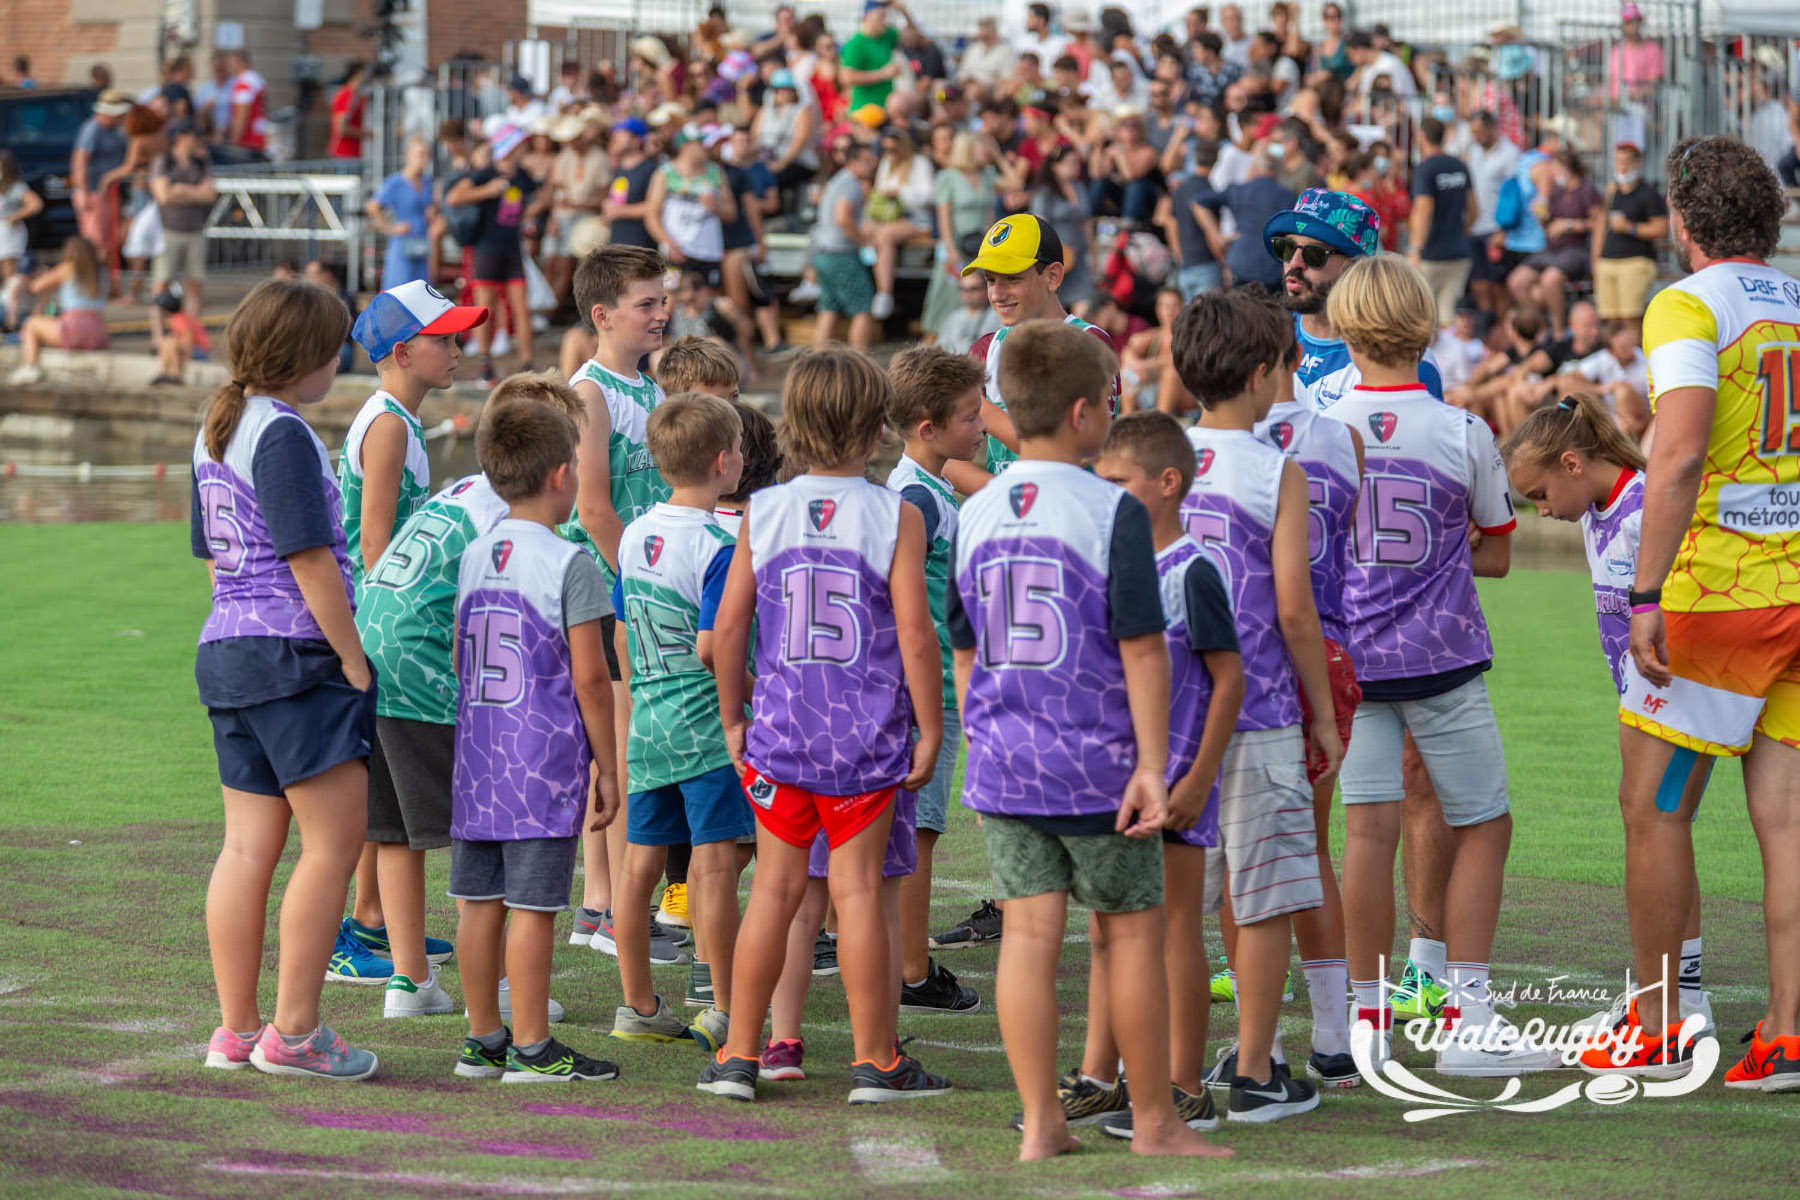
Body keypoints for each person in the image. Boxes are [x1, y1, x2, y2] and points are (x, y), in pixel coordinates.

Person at [945, 319, 1231, 1159]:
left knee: (1029, 938)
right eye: (1107, 399)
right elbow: (1143, 646)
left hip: (1005, 755)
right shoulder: (1110, 508)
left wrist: (985, 730)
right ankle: (1154, 1122)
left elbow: (964, 646)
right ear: (1080, 413)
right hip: (1096, 759)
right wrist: (1150, 762)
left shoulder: (976, 506)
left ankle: (1042, 1124)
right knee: (1130, 932)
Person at [1320, 255, 1553, 1076]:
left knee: (1364, 834)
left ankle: (1366, 1018)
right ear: (1422, 327)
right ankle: (1468, 1014)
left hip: (1353, 663)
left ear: (1344, 327)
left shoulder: (1319, 426)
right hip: (1442, 658)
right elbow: (1495, 556)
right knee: (1484, 821)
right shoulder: (1462, 430)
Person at [698, 347, 951, 1104]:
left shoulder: (763, 510)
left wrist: (731, 714)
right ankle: (876, 1058)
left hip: (781, 733)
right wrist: (930, 728)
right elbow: (915, 633)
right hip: (863, 739)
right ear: (878, 428)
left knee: (772, 894)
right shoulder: (894, 513)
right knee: (860, 893)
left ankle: (741, 1052)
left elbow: (732, 623)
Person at [1603, 136, 1800, 1086]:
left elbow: (1676, 456)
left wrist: (1645, 594)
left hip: (1721, 597)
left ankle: (1657, 1023)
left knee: (1658, 809)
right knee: (1788, 820)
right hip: (1799, 590)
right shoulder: (1798, 300)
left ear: (1682, 224)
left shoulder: (1687, 302)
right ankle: (1788, 1030)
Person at [189, 278, 377, 1080]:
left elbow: (214, 567)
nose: (341, 359)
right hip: (293, 655)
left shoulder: (214, 429)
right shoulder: (284, 432)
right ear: (308, 356)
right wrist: (353, 656)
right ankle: (296, 1034)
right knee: (332, 844)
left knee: (244, 849)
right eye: (335, 346)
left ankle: (237, 1030)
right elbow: (308, 560)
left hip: (229, 651)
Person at [1501, 395, 1718, 1056]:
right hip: (1646, 694)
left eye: (1540, 494)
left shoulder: (1645, 506)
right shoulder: (1602, 511)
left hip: (1675, 693)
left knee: (1649, 818)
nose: (1541, 510)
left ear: (1572, 462)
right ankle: (1683, 995)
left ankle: (1666, 1017)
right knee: (1658, 825)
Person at [1172, 290, 1339, 1119]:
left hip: (1172, 712)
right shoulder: (1278, 470)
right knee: (1264, 891)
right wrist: (1324, 712)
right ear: (1263, 371)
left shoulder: (1153, 461)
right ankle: (1253, 1069)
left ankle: (1176, 1069)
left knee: (1178, 905)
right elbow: (1295, 608)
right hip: (1261, 702)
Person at [449, 394, 623, 1084]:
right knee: (534, 906)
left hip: (477, 756)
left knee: (479, 900)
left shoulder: (473, 553)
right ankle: (532, 1046)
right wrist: (608, 765)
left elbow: (461, 656)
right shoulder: (570, 561)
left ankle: (483, 1037)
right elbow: (591, 678)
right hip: (539, 761)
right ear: (560, 474)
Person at [1087, 408, 1242, 1137]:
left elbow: (1230, 680)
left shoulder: (1196, 569)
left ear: (1168, 483)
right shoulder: (1114, 563)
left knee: (1176, 927)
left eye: (1119, 481)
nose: (1106, 492)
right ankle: (1100, 1076)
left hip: (1175, 785)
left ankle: (1184, 1086)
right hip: (1113, 780)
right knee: (1108, 929)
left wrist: (1199, 778)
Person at [608, 392, 748, 1053]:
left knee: (639, 869)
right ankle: (724, 1006)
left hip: (649, 718)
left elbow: (620, 628)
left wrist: (637, 693)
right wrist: (749, 694)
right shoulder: (722, 540)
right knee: (713, 867)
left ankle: (637, 1002)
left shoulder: (636, 533)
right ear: (723, 462)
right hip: (701, 723)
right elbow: (712, 644)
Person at [1253, 340, 1366, 1089]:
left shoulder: (1207, 449)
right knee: (1312, 847)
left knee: (1243, 862)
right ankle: (1332, 1031)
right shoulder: (1341, 435)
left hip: (1244, 654)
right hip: (1328, 640)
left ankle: (1258, 1045)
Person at [560, 247, 678, 958]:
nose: (662, 313)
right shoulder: (591, 393)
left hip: (640, 590)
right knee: (622, 753)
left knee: (638, 750)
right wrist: (649, 587)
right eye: (647, 304)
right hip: (609, 595)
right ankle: (604, 908)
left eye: (663, 300)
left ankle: (614, 907)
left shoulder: (649, 388)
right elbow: (595, 507)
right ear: (603, 315)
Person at [885, 346, 988, 1015]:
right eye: (970, 417)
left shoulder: (925, 488)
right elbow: (915, 612)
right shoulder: (915, 498)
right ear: (928, 427)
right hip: (927, 694)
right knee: (919, 831)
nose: (982, 427)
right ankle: (913, 969)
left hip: (926, 690)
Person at [943, 214, 1120, 501]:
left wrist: (980, 406)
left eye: (1012, 279)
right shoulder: (985, 350)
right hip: (1012, 516)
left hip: (1077, 510)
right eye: (990, 281)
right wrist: (1009, 496)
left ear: (1052, 276)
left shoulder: (1089, 343)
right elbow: (942, 454)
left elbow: (1079, 452)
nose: (998, 294)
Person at [1266, 188, 1445, 413]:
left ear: (1354, 266)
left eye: (1314, 254)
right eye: (1286, 248)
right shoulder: (1268, 336)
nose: (1294, 263)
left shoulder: (1404, 358)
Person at [446, 126, 543, 383]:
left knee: (521, 307)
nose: (525, 148)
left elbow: (541, 194)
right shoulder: (486, 174)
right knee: (484, 307)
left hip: (512, 247)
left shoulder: (522, 175)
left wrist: (533, 211)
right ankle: (485, 361)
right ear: (511, 147)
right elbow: (454, 197)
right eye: (521, 144)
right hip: (486, 248)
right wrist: (487, 191)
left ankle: (527, 362)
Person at [1510, 149, 1603, 339]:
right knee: (1517, 281)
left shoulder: (1586, 191)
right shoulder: (1557, 193)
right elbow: (1549, 226)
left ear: (1567, 168)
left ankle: (1559, 331)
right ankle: (1540, 328)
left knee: (1549, 280)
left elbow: (1598, 222)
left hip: (1576, 249)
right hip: (1552, 249)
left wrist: (1570, 224)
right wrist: (1541, 216)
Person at [6, 236, 108, 387]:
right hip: (98, 330)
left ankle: (30, 366)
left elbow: (36, 287)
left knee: (31, 325)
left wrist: (29, 277)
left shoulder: (68, 267)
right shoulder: (101, 271)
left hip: (73, 328)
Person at [809, 139, 881, 351]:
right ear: (853, 162)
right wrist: (863, 240)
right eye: (867, 161)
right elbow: (843, 218)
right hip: (841, 255)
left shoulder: (836, 181)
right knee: (862, 307)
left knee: (828, 307)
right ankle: (860, 364)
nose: (872, 165)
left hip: (823, 254)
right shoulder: (850, 184)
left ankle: (816, 363)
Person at [149, 122, 214, 345]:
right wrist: (193, 192)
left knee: (195, 285)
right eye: (192, 136)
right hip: (169, 230)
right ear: (180, 137)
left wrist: (180, 190)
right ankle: (158, 338)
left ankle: (188, 338)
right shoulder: (164, 162)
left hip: (195, 229)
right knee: (161, 284)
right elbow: (163, 196)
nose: (196, 140)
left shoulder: (201, 161)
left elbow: (209, 194)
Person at [1407, 117, 1475, 327]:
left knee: (1421, 319)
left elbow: (1424, 210)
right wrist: (1458, 231)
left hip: (1431, 255)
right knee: (1447, 322)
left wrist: (1416, 249)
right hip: (1459, 252)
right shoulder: (1459, 166)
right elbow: (1473, 210)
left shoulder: (1425, 168)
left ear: (1422, 137)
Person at [646, 124, 735, 281]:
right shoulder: (665, 174)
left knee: (703, 299)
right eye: (700, 143)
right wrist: (668, 243)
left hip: (708, 252)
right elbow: (651, 215)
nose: (706, 148)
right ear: (685, 146)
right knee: (670, 299)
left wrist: (716, 207)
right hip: (676, 251)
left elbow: (731, 213)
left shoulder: (716, 172)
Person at [866, 125, 936, 321]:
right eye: (886, 150)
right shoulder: (886, 163)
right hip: (889, 216)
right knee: (862, 229)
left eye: (894, 150)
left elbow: (928, 196)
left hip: (916, 219)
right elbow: (880, 188)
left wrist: (900, 192)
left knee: (884, 236)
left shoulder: (920, 164)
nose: (890, 154)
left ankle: (884, 293)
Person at [1594, 142, 1668, 325]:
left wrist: (1629, 228)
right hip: (1607, 260)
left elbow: (1661, 229)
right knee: (1609, 320)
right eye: (1618, 162)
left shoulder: (1648, 193)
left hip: (1635, 260)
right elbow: (1600, 226)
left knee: (1630, 318)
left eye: (1626, 162)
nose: (1622, 167)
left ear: (1637, 163)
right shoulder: (1611, 191)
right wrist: (1595, 261)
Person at [1217, 146, 1296, 292]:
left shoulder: (1239, 190)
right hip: (1272, 267)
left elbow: (1200, 202)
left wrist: (1217, 236)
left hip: (1242, 264)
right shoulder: (1287, 196)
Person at [71, 91, 131, 284]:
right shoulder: (92, 129)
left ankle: (105, 285)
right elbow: (80, 162)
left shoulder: (114, 131)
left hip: (108, 193)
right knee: (95, 243)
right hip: (95, 193)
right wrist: (85, 193)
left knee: (108, 242)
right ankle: (92, 284)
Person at [1161, 142, 1229, 299]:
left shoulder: (1181, 190)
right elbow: (1210, 231)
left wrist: (1181, 258)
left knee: (1191, 321)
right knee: (1209, 319)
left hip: (1185, 267)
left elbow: (1171, 226)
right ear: (1216, 161)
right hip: (1207, 265)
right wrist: (1224, 264)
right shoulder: (1209, 191)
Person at [368, 136, 436, 291]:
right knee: (399, 289)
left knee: (421, 291)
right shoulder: (395, 182)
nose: (424, 159)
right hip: (402, 243)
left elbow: (430, 208)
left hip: (422, 243)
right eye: (420, 154)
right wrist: (390, 228)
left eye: (427, 155)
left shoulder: (427, 182)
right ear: (408, 155)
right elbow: (372, 206)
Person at [841, 0, 907, 114]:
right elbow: (846, 77)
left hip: (885, 111)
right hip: (864, 112)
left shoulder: (886, 36)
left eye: (886, 16)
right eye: (881, 16)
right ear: (867, 16)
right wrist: (883, 74)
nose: (885, 20)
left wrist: (904, 11)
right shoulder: (856, 44)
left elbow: (914, 37)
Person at [0, 151, 44, 282]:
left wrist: (15, 216)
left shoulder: (16, 187)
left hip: (10, 230)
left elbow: (36, 204)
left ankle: (11, 295)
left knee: (10, 263)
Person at [936, 271, 1001, 356]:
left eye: (974, 289)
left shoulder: (999, 316)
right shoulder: (953, 319)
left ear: (986, 289)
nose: (968, 294)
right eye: (963, 289)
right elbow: (940, 349)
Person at [225, 51, 270, 156]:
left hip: (248, 141)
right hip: (259, 138)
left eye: (231, 63)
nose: (229, 67)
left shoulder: (244, 83)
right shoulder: (256, 79)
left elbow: (242, 115)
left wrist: (234, 141)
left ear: (238, 63)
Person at [959, 16, 1017, 89]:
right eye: (981, 29)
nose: (983, 33)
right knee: (941, 87)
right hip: (966, 85)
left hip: (988, 89)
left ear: (994, 31)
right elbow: (962, 72)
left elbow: (1006, 78)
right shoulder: (973, 48)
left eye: (986, 29)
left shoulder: (1006, 51)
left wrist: (981, 82)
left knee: (975, 90)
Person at [327, 63, 368, 162]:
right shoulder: (346, 95)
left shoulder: (357, 96)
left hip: (354, 153)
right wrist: (368, 134)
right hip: (344, 153)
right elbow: (341, 127)